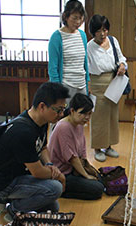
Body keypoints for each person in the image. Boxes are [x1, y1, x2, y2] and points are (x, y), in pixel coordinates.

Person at [0, 82, 69, 221]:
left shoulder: (41, 121)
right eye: (58, 110)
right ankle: (13, 210)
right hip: (6, 183)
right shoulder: (23, 131)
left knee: (53, 207)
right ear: (42, 106)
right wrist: (59, 176)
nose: (61, 115)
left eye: (63, 109)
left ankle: (8, 202)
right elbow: (38, 172)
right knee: (55, 188)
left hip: (21, 176)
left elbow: (42, 147)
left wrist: (49, 165)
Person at [48, 93, 105, 200]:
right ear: (72, 111)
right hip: (61, 173)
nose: (87, 118)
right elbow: (72, 158)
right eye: (83, 113)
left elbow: (82, 151)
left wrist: (87, 168)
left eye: (89, 114)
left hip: (72, 169)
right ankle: (61, 191)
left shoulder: (79, 124)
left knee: (101, 181)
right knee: (97, 189)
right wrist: (86, 176)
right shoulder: (63, 127)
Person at [87, 14, 127, 162]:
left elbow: (121, 58)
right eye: (99, 30)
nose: (103, 34)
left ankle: (108, 146)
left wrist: (122, 65)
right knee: (98, 117)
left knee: (112, 116)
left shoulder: (112, 40)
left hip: (114, 79)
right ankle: (97, 148)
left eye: (105, 30)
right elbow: (87, 69)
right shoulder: (89, 46)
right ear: (93, 31)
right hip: (97, 83)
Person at [48, 0, 90, 97]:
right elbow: (53, 68)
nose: (78, 22)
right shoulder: (56, 37)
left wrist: (87, 82)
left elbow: (84, 63)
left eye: (80, 18)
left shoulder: (82, 35)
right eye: (75, 18)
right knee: (66, 112)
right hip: (65, 86)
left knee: (82, 112)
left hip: (82, 86)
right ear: (66, 17)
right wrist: (57, 90)